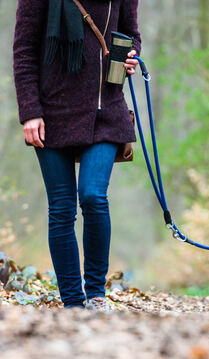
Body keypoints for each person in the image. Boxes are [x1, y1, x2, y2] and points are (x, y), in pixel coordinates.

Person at [12, 0, 142, 311]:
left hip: (105, 111)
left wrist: (131, 57)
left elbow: (131, 35)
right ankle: (73, 303)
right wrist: (30, 112)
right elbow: (24, 51)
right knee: (61, 207)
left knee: (94, 197)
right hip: (52, 112)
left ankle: (95, 295)